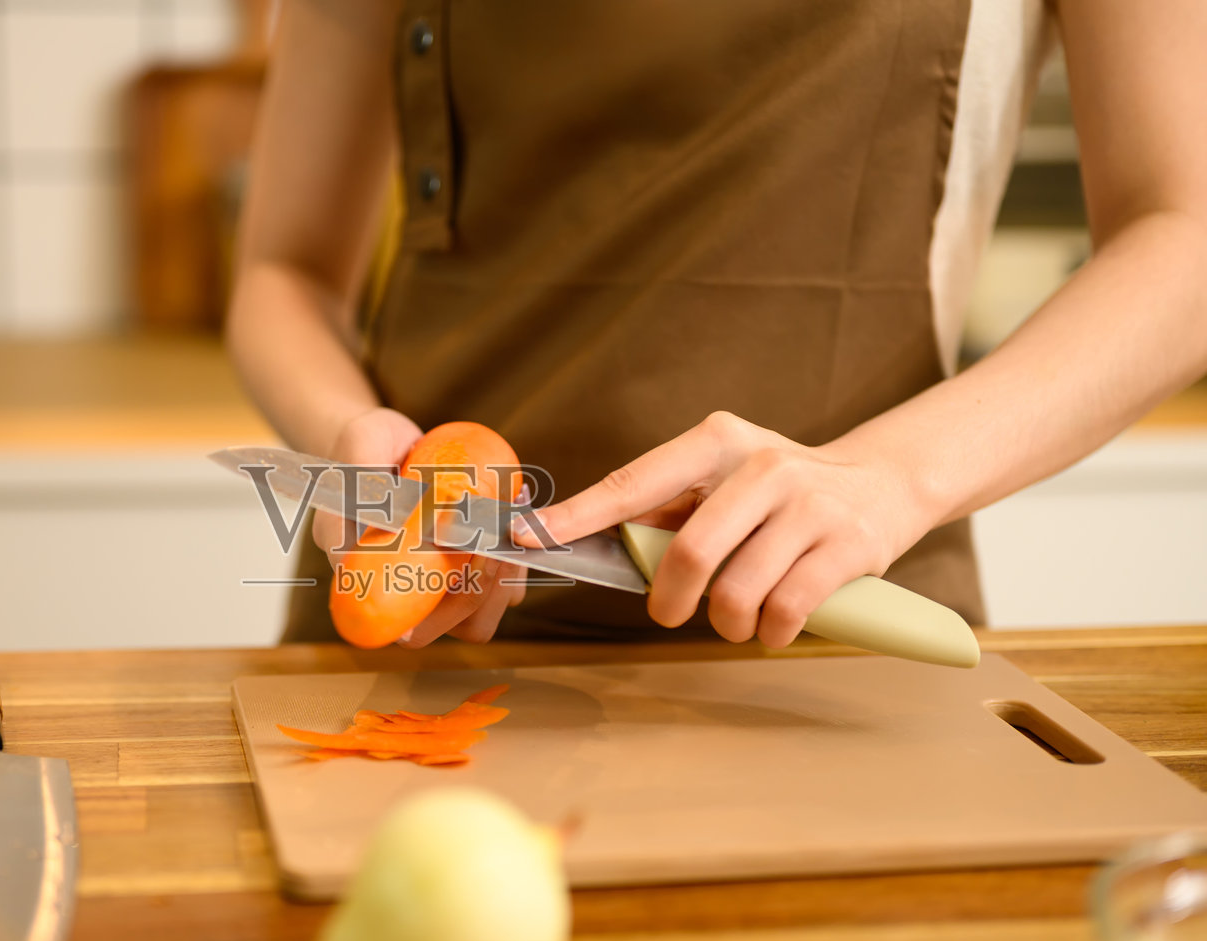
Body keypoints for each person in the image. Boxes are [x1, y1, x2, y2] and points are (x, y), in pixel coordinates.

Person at [227, 0, 1207, 649]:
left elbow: (1187, 231)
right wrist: (347, 437)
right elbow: (284, 271)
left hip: (828, 645)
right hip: (414, 631)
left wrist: (894, 473)